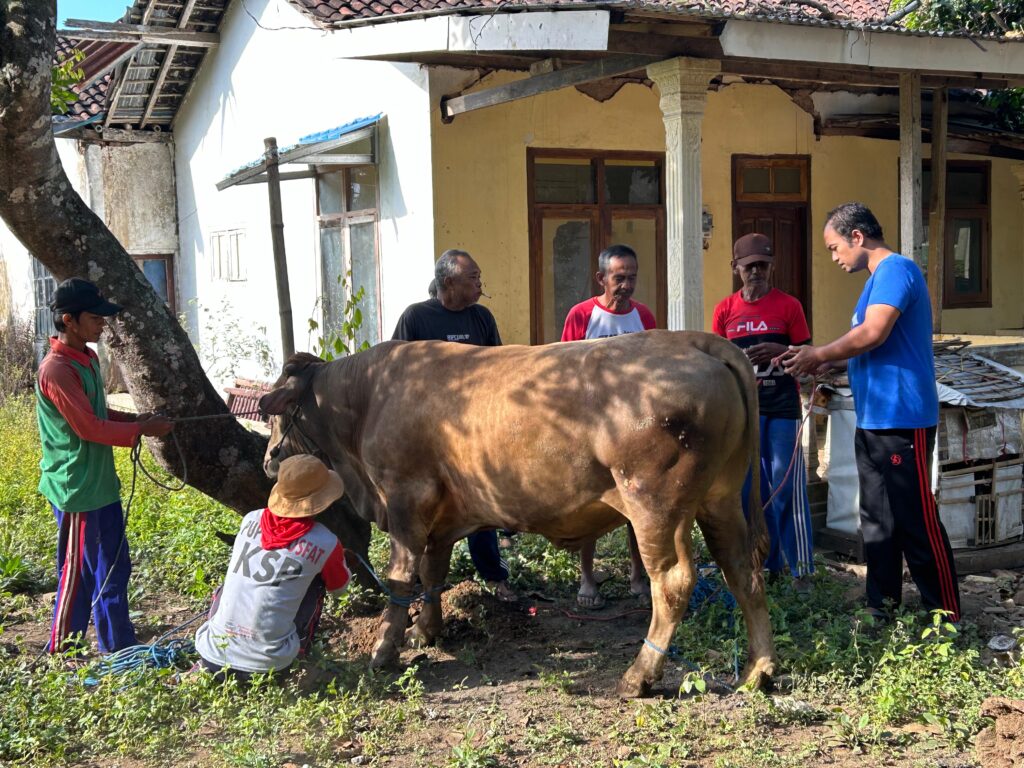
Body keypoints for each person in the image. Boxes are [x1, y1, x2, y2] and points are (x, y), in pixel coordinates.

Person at [782, 202, 960, 621]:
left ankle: (945, 611)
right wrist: (830, 362)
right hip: (875, 417)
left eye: (834, 247)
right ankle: (882, 605)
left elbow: (874, 333)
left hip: (904, 417)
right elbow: (871, 345)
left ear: (857, 237)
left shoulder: (897, 270)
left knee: (915, 519)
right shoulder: (875, 282)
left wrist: (819, 352)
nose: (834, 257)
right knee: (877, 518)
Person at [36, 277, 175, 655]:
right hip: (76, 489)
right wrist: (141, 430)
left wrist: (138, 419)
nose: (102, 324)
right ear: (69, 319)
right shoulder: (57, 370)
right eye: (95, 318)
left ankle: (120, 648)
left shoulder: (87, 359)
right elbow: (88, 428)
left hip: (100, 484)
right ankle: (62, 649)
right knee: (79, 574)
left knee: (114, 567)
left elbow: (97, 412)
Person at [392, 249, 516, 602]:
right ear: (449, 282)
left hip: (476, 429)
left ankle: (494, 575)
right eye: (473, 278)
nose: (480, 284)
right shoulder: (416, 318)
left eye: (479, 278)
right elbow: (397, 372)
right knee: (425, 506)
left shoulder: (481, 318)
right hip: (429, 434)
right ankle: (417, 582)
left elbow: (500, 367)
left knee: (480, 503)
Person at [712, 233, 815, 584]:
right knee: (747, 492)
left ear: (771, 267)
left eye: (763, 265)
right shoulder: (725, 310)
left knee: (786, 487)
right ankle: (763, 565)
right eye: (749, 266)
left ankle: (801, 570)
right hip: (742, 414)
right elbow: (717, 363)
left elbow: (807, 358)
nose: (756, 272)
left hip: (782, 407)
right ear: (735, 268)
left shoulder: (789, 306)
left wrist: (779, 350)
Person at [194, 454, 351, 679]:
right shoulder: (325, 542)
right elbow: (340, 590)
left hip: (211, 656)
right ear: (322, 499)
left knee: (229, 584)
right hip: (270, 665)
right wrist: (335, 561)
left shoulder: (250, 519)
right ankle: (301, 653)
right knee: (316, 583)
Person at [560, 244, 655, 609]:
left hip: (634, 426)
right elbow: (564, 371)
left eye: (632, 277)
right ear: (601, 278)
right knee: (591, 502)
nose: (626, 285)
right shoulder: (582, 315)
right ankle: (587, 577)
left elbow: (653, 371)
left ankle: (637, 574)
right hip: (589, 427)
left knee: (638, 501)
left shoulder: (643, 316)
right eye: (619, 278)